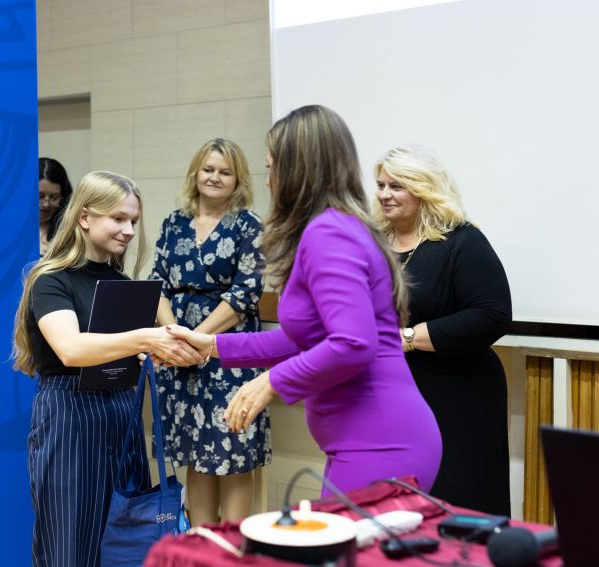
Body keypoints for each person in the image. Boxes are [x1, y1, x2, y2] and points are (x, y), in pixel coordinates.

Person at [166, 107, 442, 496]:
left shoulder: (329, 232)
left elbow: (353, 343)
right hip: (366, 439)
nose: (268, 181)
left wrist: (271, 381)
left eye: (272, 168)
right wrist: (212, 345)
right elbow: (306, 339)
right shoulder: (337, 227)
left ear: (298, 171)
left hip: (380, 440)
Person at [11, 171, 204, 567]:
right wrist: (145, 339)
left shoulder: (121, 282)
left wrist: (163, 347)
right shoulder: (50, 279)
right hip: (70, 419)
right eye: (118, 218)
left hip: (120, 413)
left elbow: (161, 336)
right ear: (85, 217)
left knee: (123, 544)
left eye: (133, 220)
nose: (129, 230)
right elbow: (71, 349)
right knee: (68, 546)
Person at [374, 144, 512, 515]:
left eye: (396, 186)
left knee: (457, 509)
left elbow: (493, 314)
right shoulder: (373, 245)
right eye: (381, 184)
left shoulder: (461, 241)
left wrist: (407, 339)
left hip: (459, 397)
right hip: (391, 395)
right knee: (399, 511)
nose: (384, 194)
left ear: (423, 188)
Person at [149, 138, 268, 525]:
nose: (215, 178)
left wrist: (197, 339)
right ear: (195, 173)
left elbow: (246, 293)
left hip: (230, 350)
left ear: (238, 180)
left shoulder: (248, 225)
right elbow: (156, 284)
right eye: (208, 169)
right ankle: (201, 544)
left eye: (225, 172)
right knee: (196, 450)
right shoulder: (173, 222)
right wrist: (174, 336)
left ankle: (232, 548)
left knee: (233, 451)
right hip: (177, 351)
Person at [39, 157, 74, 256]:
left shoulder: (71, 231)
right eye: (39, 196)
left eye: (54, 197)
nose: (46, 204)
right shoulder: (8, 227)